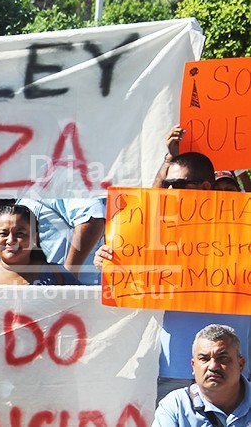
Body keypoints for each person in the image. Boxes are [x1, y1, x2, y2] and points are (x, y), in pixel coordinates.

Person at [96, 150, 251, 402]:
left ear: (204, 187)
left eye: (177, 184)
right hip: (174, 367)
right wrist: (108, 260)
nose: (168, 190)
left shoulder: (242, 224)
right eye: (167, 184)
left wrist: (244, 172)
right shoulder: (157, 227)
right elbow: (129, 259)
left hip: (232, 367)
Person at [153, 324, 251, 426]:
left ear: (241, 364)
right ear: (193, 366)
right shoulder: (176, 405)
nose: (213, 366)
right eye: (204, 359)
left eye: (222, 358)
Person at [0, 204, 82, 285]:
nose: (10, 240)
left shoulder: (58, 276)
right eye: (4, 234)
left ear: (35, 238)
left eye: (20, 234)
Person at [15, 198, 106, 284]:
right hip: (40, 291)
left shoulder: (56, 185)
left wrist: (68, 276)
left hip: (74, 293)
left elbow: (92, 218)